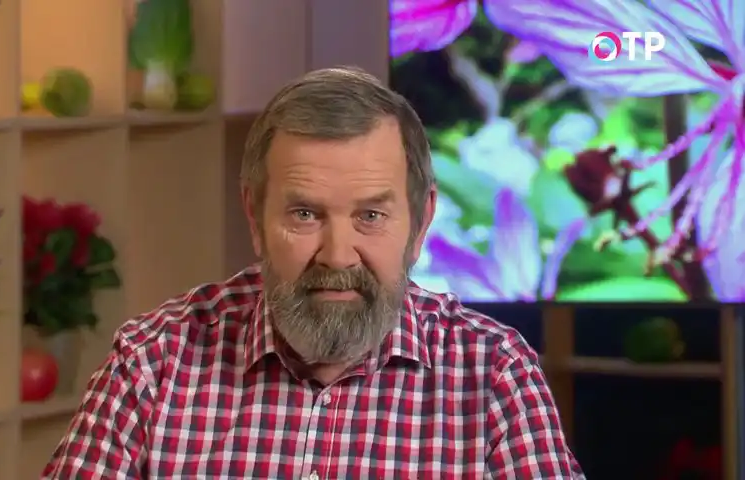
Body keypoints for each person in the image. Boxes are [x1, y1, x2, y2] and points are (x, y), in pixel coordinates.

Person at [42, 67, 584, 479]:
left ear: (421, 225)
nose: (337, 256)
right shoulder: (153, 364)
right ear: (255, 217)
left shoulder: (494, 375)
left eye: (370, 216)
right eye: (305, 214)